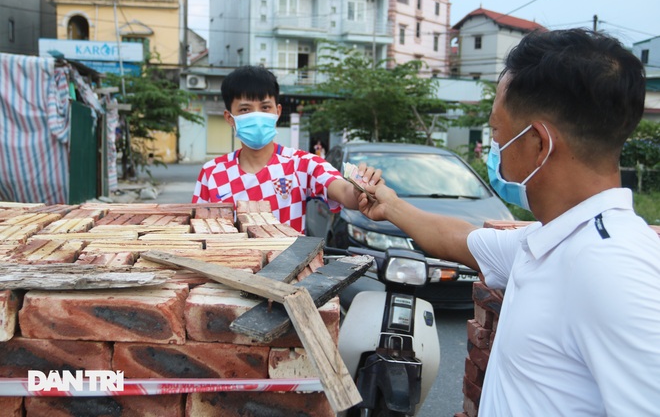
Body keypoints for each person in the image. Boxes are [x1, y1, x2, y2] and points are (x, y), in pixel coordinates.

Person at [358, 29, 660, 416]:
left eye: (498, 132)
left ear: (538, 143)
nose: (495, 148)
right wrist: (391, 207)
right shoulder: (550, 241)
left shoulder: (612, 268)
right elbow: (461, 239)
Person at [192, 65, 379, 233]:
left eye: (265, 107)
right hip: (229, 270)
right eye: (245, 110)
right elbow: (201, 229)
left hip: (289, 271)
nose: (257, 116)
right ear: (229, 117)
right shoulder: (213, 172)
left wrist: (361, 190)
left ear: (278, 112)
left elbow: (344, 191)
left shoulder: (301, 164)